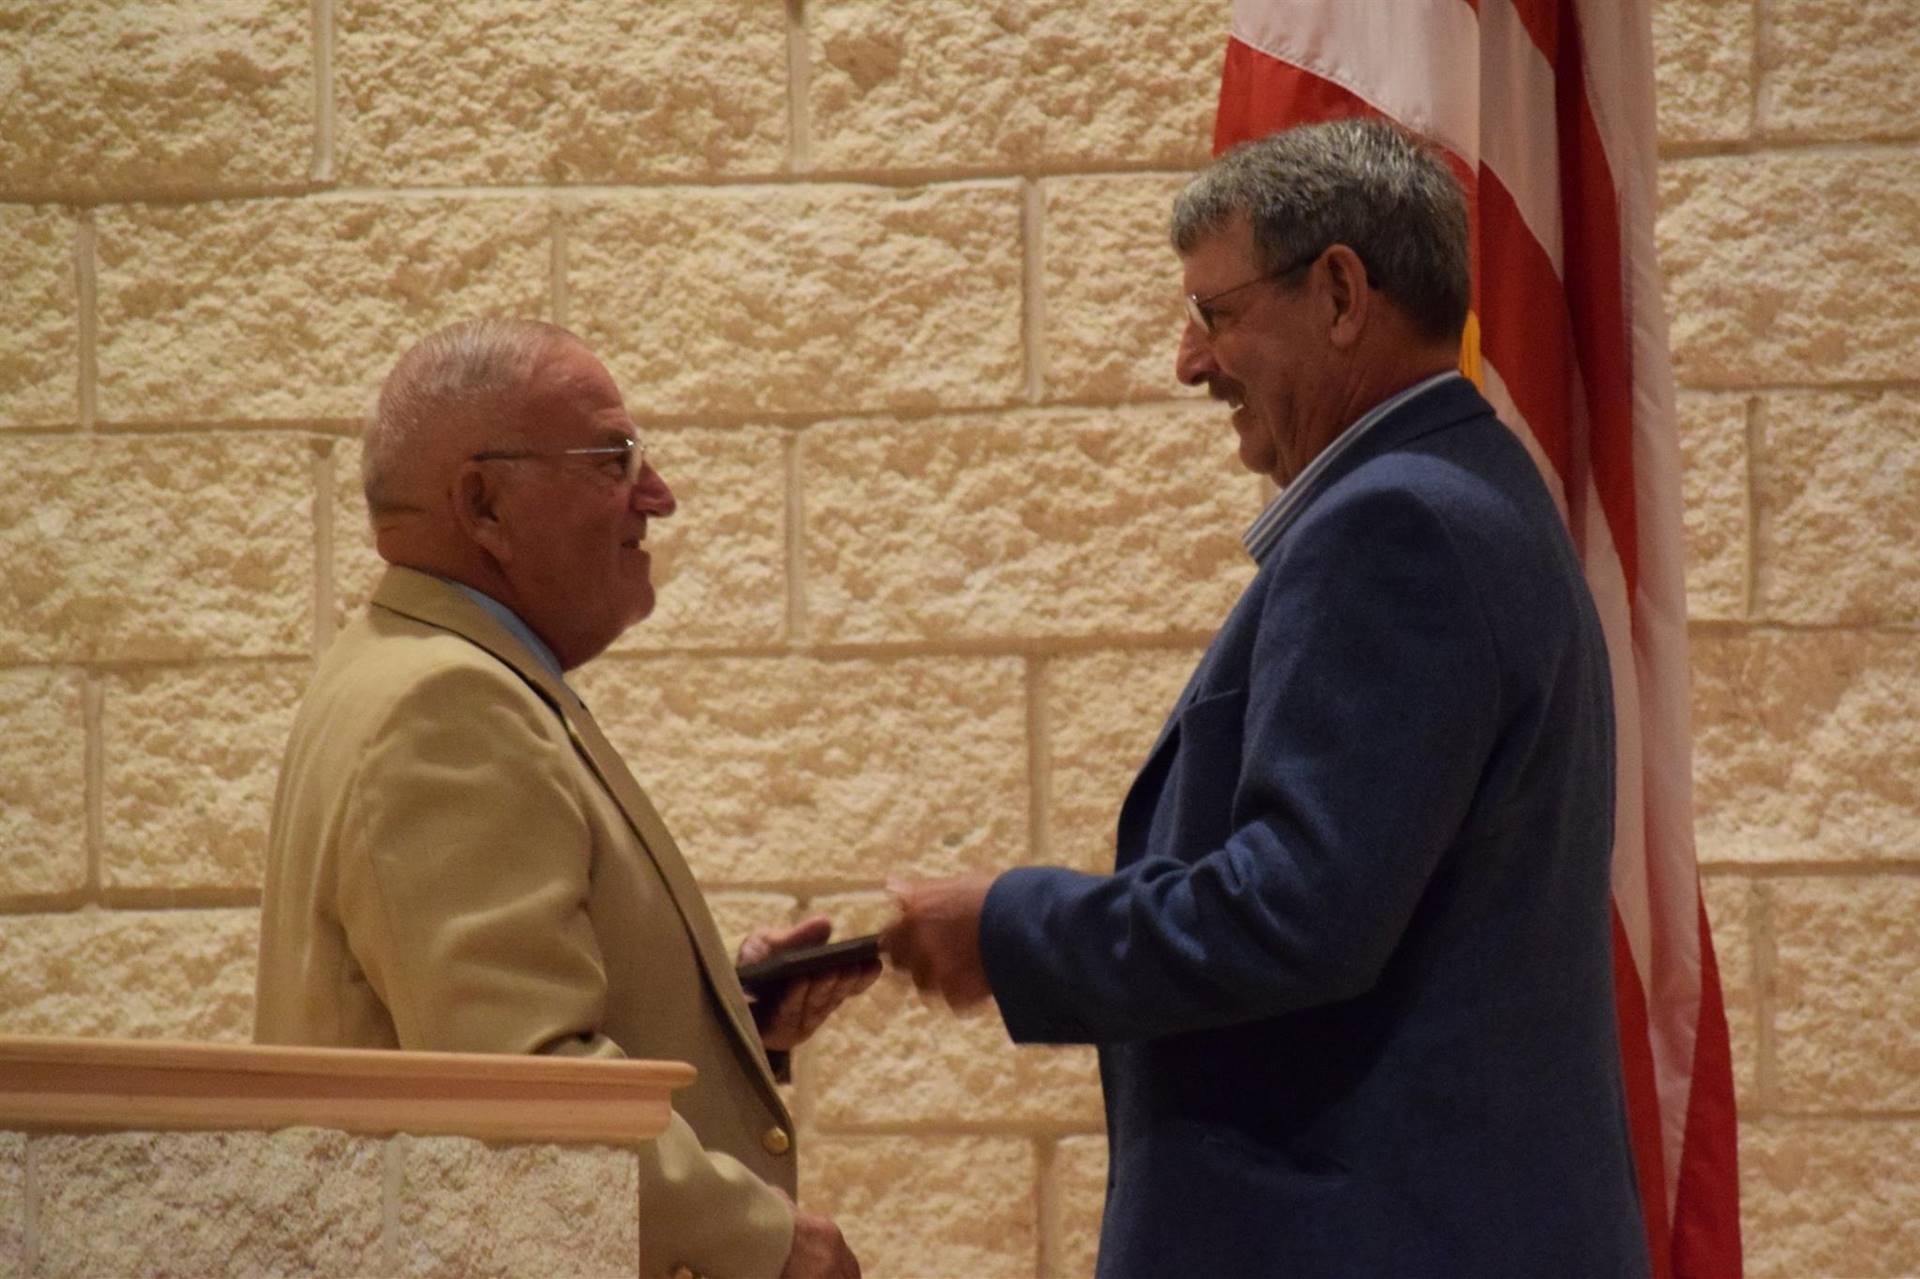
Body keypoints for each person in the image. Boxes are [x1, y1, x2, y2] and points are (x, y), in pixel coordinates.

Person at [882, 118, 1650, 1277]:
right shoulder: (1476, 492)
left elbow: (1295, 914)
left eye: (1214, 313)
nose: (1190, 362)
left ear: (1341, 292)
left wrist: (1009, 927)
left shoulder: (1397, 528)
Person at [255, 317, 874, 1279]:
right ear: (484, 504)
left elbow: (464, 1027)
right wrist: (767, 1243)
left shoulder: (412, 666)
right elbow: (526, 1097)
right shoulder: (444, 705)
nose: (657, 498)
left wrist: (724, 1012)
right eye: (614, 459)